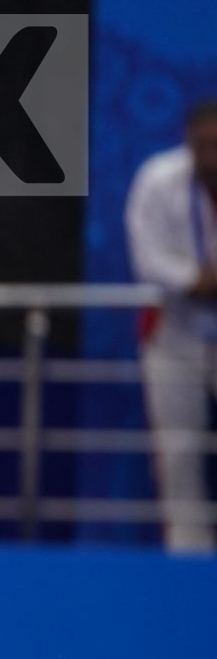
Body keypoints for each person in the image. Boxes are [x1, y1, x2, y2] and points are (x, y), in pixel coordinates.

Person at [125, 101, 217, 553]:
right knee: (178, 454)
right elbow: (148, 260)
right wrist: (195, 280)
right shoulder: (158, 180)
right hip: (174, 333)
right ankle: (189, 555)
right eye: (204, 146)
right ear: (189, 142)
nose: (213, 157)